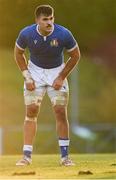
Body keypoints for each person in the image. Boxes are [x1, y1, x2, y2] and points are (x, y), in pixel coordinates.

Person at [14, 4, 80, 166]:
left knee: (60, 111)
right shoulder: (27, 33)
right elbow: (18, 53)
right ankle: (26, 156)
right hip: (35, 73)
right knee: (31, 110)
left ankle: (65, 158)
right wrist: (27, 76)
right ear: (37, 20)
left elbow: (75, 55)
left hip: (56, 73)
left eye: (51, 18)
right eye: (45, 19)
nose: (49, 22)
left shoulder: (63, 34)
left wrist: (61, 77)